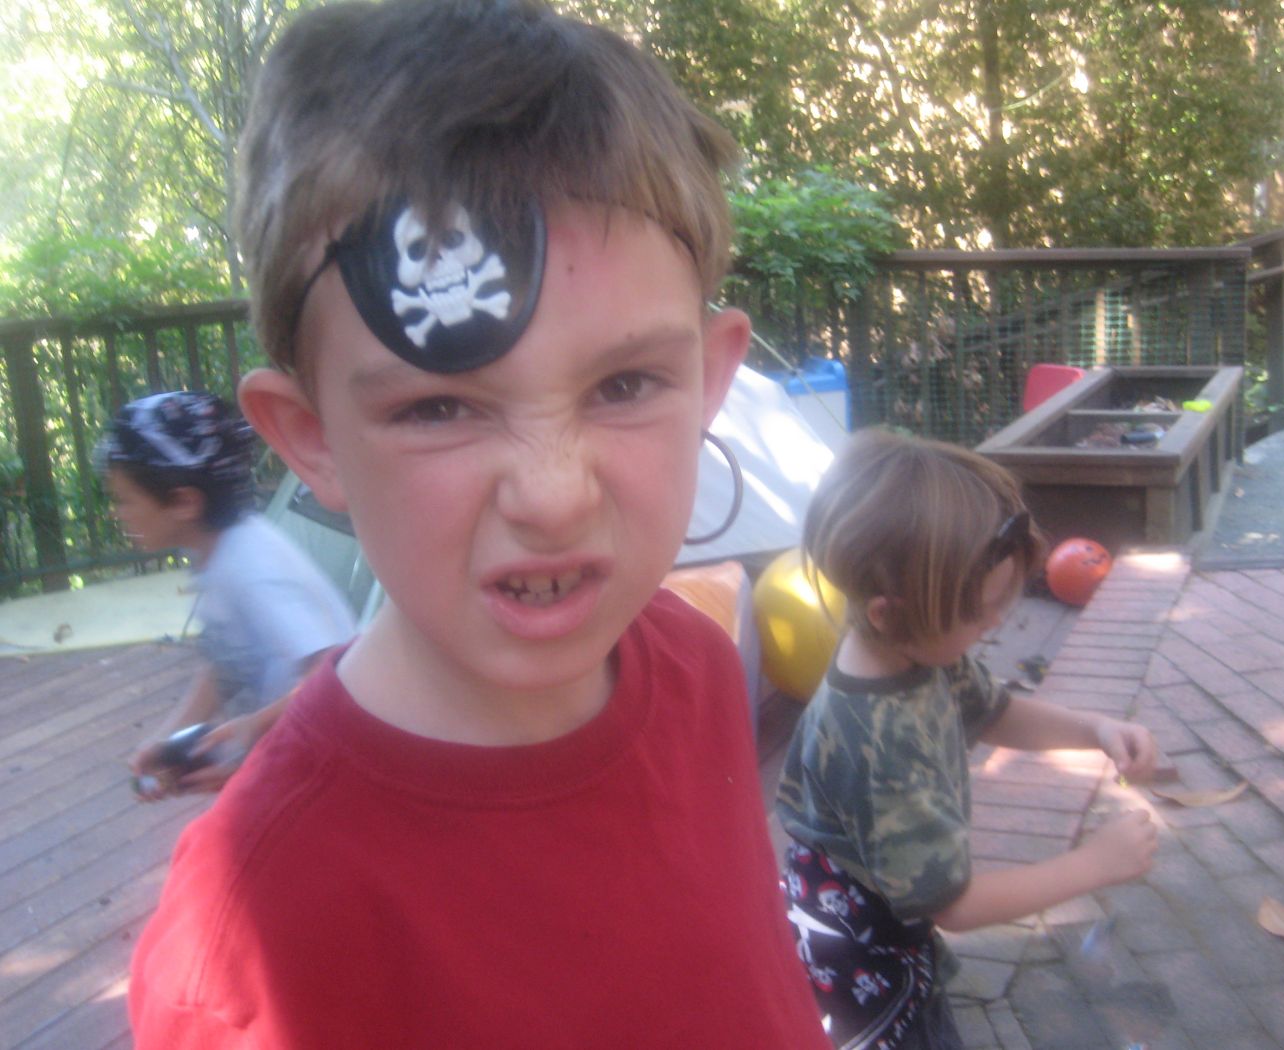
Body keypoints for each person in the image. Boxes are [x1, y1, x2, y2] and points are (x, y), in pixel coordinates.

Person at [128, 2, 829, 1046]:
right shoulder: (257, 940)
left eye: (625, 384)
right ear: (311, 439)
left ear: (711, 380)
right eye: (438, 408)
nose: (552, 495)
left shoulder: (696, 669)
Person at [775, 427, 1160, 1050]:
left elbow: (994, 711)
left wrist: (1095, 729)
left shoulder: (913, 649)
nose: (998, 621)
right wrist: (1094, 864)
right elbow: (956, 905)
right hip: (861, 957)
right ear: (888, 610)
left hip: (890, 913)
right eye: (982, 610)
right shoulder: (883, 746)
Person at [101, 390, 355, 798]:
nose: (117, 513)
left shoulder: (252, 569)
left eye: (125, 500)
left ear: (184, 502)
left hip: (329, 774)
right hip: (287, 761)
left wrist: (252, 736)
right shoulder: (212, 551)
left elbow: (333, 672)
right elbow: (225, 661)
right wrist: (168, 739)